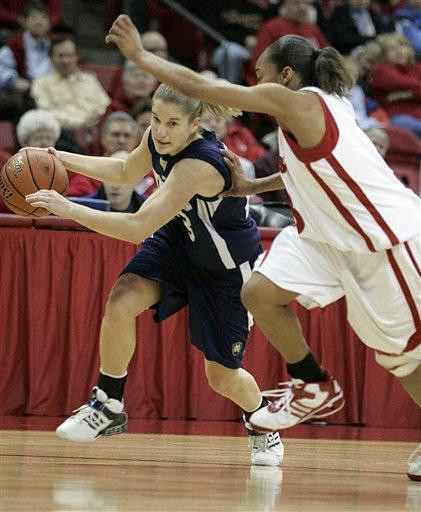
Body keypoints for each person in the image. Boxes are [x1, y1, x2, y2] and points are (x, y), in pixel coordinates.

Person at [103, 14, 420, 479]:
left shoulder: (295, 101)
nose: (258, 84)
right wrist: (251, 184)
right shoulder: (323, 108)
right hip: (323, 235)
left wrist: (141, 57)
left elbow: (204, 88)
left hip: (381, 239)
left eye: (263, 75)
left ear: (286, 77)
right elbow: (304, 169)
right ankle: (314, 384)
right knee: (259, 293)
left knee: (403, 357)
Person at [25, 83, 284, 467]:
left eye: (172, 123)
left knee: (221, 377)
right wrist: (56, 156)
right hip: (179, 242)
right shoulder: (158, 137)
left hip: (226, 268)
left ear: (196, 124)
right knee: (121, 300)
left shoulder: (199, 166)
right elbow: (124, 170)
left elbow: (135, 227)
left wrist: (69, 208)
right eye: (158, 120)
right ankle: (108, 402)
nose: (161, 131)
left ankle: (262, 420)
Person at [31, 37, 111, 130]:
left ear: (77, 57)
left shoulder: (90, 80)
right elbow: (46, 115)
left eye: (70, 55)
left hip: (96, 131)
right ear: (51, 58)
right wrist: (83, 122)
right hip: (63, 134)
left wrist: (96, 119)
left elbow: (106, 106)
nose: (66, 61)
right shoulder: (41, 84)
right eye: (61, 56)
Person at [16, 109, 98, 197]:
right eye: (38, 138)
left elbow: (83, 185)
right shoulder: (15, 166)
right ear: (25, 142)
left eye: (48, 138)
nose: (44, 142)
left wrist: (57, 197)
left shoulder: (62, 164)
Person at [370, 33, 421, 136]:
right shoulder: (381, 70)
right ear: (384, 55)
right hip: (399, 116)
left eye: (401, 47)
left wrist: (407, 94)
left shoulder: (417, 68)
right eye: (392, 49)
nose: (398, 51)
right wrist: (416, 90)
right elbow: (398, 82)